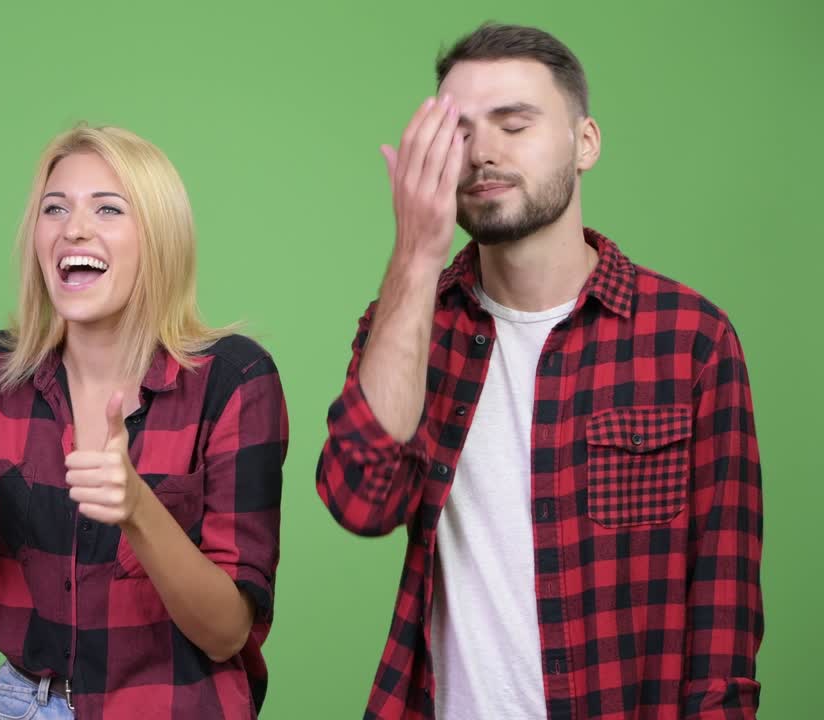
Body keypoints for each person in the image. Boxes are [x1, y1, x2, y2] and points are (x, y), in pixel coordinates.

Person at [316, 24, 763, 720]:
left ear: (585, 142)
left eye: (514, 124)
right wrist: (414, 256)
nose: (484, 153)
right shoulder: (408, 322)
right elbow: (359, 503)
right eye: (458, 132)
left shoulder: (691, 341)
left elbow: (723, 624)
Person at [0, 125, 288, 719]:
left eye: (107, 209)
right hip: (25, 707)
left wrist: (138, 509)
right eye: (54, 208)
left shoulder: (233, 380)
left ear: (158, 238)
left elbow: (226, 634)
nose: (74, 229)